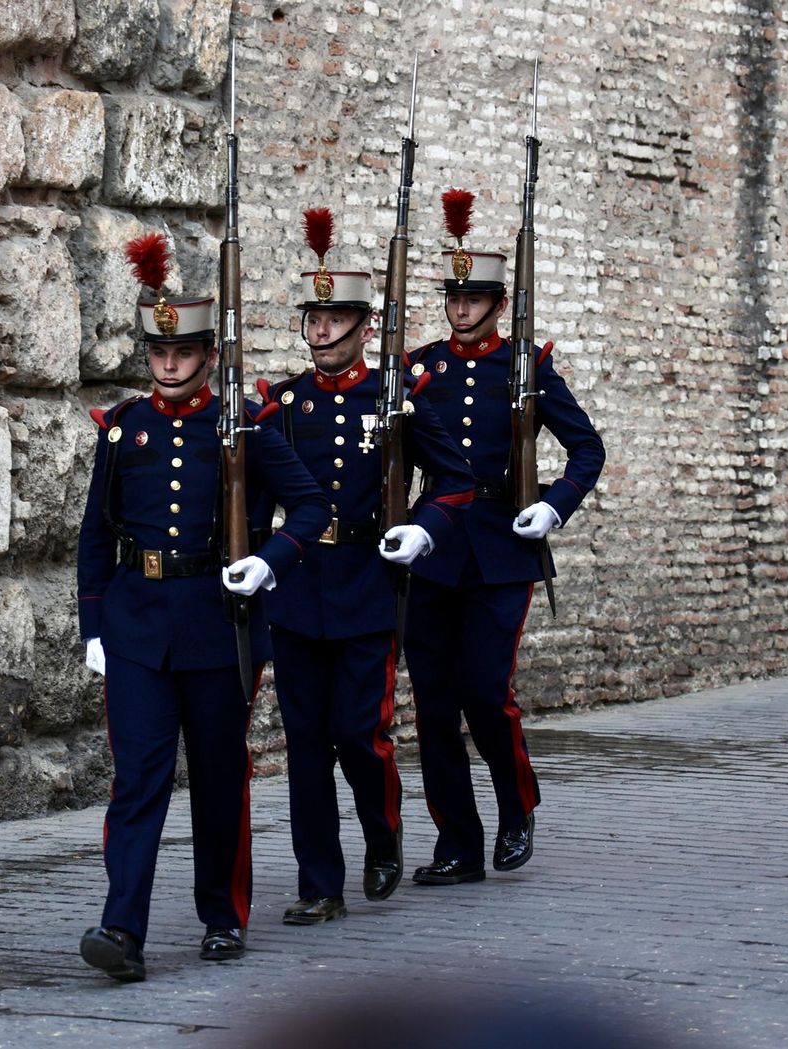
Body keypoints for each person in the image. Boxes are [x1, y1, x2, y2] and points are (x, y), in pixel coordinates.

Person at [75, 232, 331, 982]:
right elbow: (97, 533)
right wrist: (94, 625)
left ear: (207, 358)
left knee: (219, 776)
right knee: (138, 778)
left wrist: (268, 562)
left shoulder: (245, 426)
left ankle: (222, 914)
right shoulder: (124, 428)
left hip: (220, 630)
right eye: (159, 355)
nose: (170, 365)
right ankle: (122, 926)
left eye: (183, 355)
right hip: (137, 628)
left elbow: (310, 508)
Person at [256, 208, 475, 925]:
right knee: (305, 746)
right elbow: (254, 499)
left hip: (366, 584)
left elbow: (457, 480)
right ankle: (320, 880)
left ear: (363, 325)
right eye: (313, 320)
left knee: (361, 734)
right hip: (296, 587)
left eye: (334, 319)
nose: (320, 332)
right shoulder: (282, 407)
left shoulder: (396, 398)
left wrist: (422, 529)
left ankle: (383, 834)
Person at [402, 189, 604, 885]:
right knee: (432, 701)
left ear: (496, 302)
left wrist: (553, 508)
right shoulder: (419, 367)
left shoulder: (527, 366)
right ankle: (456, 840)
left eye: (474, 299)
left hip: (500, 544)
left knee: (485, 691)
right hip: (433, 548)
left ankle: (517, 808)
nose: (460, 310)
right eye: (453, 299)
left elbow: (588, 450)